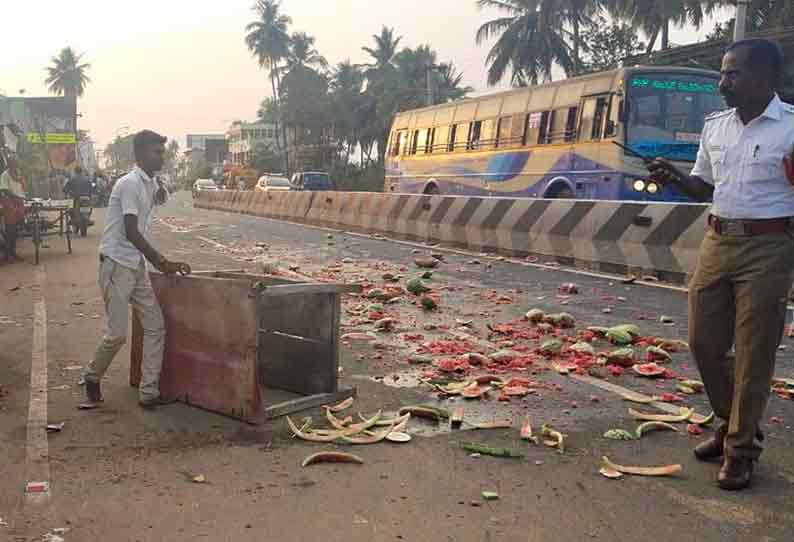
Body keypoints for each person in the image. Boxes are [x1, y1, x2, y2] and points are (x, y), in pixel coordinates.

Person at [647, 39, 794, 491]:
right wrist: (674, 178)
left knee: (753, 353)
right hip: (717, 239)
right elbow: (702, 186)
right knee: (703, 342)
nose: (723, 83)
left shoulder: (790, 128)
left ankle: (741, 450)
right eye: (723, 73)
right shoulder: (715, 127)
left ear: (766, 77)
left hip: (770, 245)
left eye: (733, 74)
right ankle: (730, 422)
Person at [84, 130, 190, 409]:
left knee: (156, 326)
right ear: (140, 153)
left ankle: (149, 392)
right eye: (157, 152)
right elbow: (131, 230)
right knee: (117, 334)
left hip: (136, 265)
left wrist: (160, 189)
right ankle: (92, 375)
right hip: (117, 264)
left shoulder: (150, 182)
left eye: (162, 151)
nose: (162, 156)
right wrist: (161, 262)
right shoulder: (129, 184)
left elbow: (157, 201)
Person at [0, 157, 27, 263]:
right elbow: (4, 190)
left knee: (15, 230)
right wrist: (16, 197)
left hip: (19, 203)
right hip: (10, 204)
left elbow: (22, 188)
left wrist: (21, 195)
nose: (16, 165)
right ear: (9, 164)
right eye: (14, 163)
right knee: (10, 230)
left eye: (17, 163)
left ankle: (13, 253)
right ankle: (8, 255)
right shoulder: (4, 175)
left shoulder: (18, 174)